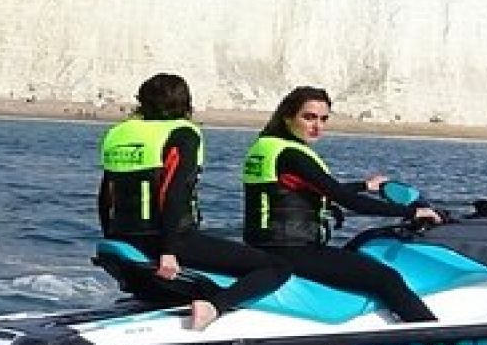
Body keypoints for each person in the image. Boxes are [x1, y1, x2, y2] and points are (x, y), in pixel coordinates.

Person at [99, 73, 289, 329]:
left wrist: (110, 238)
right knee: (275, 267)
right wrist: (169, 251)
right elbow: (174, 191)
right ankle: (213, 308)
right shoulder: (183, 134)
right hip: (165, 239)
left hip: (123, 237)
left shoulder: (118, 133)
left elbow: (106, 194)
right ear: (185, 103)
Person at [241, 86, 441, 322]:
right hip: (292, 250)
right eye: (309, 117)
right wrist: (412, 212)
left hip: (265, 245)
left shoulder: (267, 147)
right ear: (288, 117)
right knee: (386, 278)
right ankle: (434, 340)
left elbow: (310, 190)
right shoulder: (292, 155)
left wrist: (365, 186)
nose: (318, 126)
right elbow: (349, 202)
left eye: (323, 119)